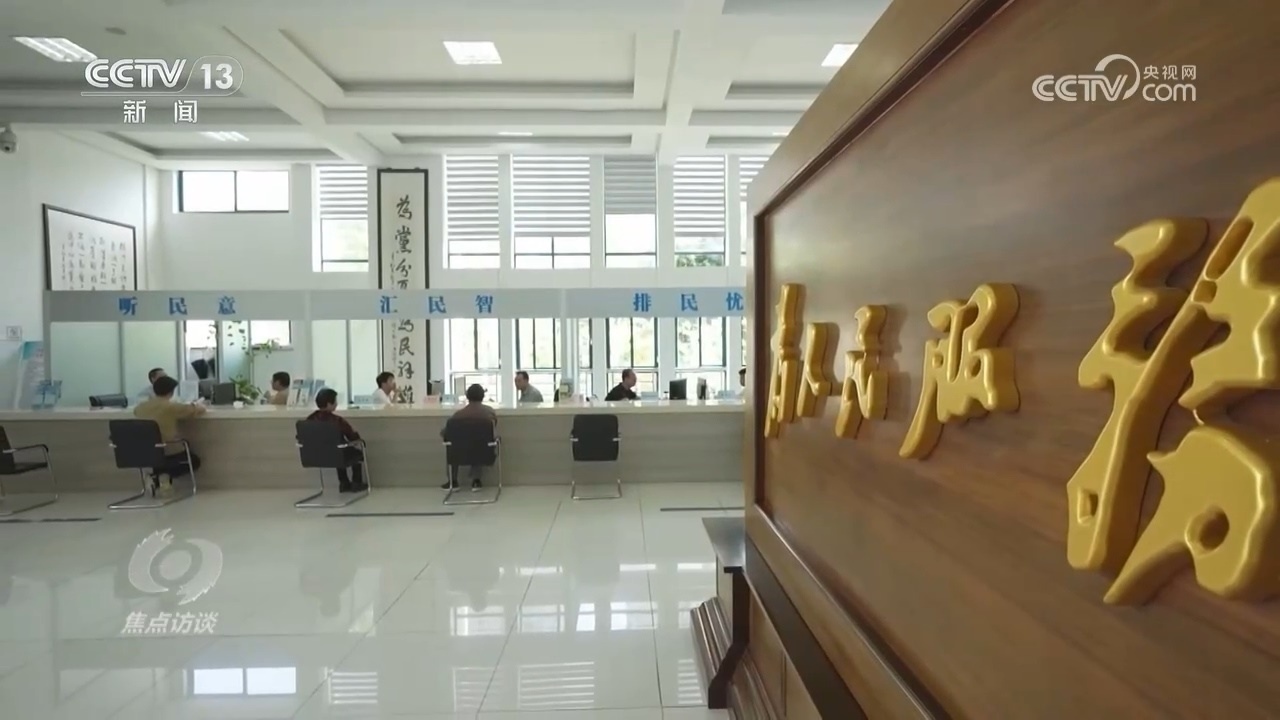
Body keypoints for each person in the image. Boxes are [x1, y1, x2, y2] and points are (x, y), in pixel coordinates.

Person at [133, 375, 205, 495]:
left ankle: (157, 478)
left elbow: (136, 413)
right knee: (194, 461)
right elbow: (197, 410)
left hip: (145, 450)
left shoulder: (140, 407)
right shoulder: (170, 406)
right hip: (168, 449)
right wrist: (198, 406)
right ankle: (162, 477)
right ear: (171, 392)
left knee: (158, 458)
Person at [305, 388, 368, 492]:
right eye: (335, 401)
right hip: (336, 454)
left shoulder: (309, 420)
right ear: (329, 404)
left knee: (338, 450)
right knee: (352, 453)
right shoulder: (337, 421)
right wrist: (360, 440)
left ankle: (344, 483)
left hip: (315, 456)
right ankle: (356, 483)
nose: (337, 404)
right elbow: (353, 437)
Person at [440, 383, 496, 492]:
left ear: (467, 396)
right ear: (483, 396)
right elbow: (493, 431)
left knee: (452, 444)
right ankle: (476, 480)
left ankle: (453, 481)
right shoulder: (489, 412)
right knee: (479, 443)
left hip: (460, 454)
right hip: (485, 454)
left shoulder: (458, 415)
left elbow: (445, 433)